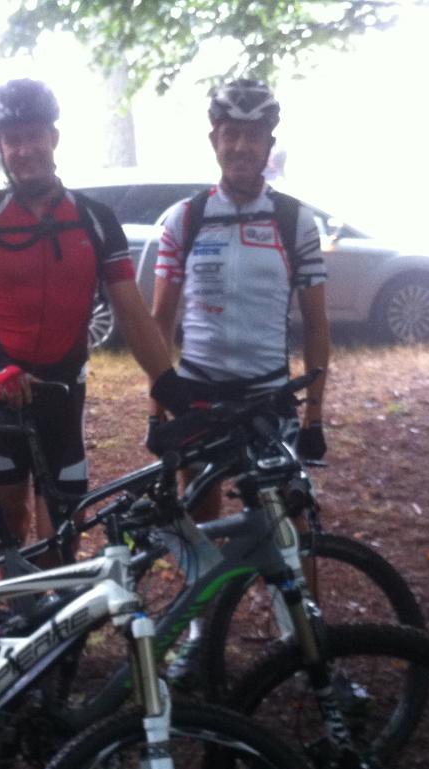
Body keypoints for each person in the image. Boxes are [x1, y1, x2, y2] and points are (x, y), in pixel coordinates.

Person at [0, 78, 183, 553]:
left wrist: (169, 385)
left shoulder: (95, 219)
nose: (24, 149)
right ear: (1, 146)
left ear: (54, 138)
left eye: (33, 136)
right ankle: (18, 618)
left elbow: (130, 311)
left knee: (63, 533)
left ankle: (60, 622)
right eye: (12, 140)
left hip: (63, 397)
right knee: (10, 523)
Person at [149, 78, 331, 683]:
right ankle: (201, 637)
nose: (242, 147)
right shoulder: (186, 217)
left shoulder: (294, 220)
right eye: (232, 135)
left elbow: (317, 324)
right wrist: (158, 405)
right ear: (215, 140)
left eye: (253, 135)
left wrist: (315, 419)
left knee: (286, 528)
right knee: (196, 521)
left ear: (269, 141)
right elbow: (159, 320)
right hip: (199, 393)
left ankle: (303, 648)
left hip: (266, 397)